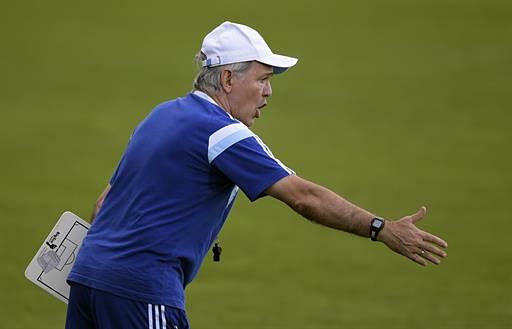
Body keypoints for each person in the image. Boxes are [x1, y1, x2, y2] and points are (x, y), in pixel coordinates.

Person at [65, 21, 448, 329]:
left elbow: (103, 205)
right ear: (229, 80)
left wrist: (104, 274)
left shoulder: (159, 116)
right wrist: (381, 228)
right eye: (262, 79)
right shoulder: (222, 132)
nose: (267, 92)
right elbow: (304, 197)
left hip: (86, 279)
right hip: (141, 290)